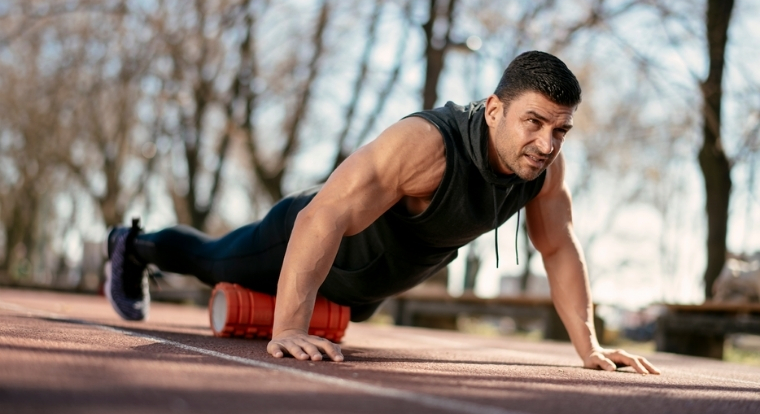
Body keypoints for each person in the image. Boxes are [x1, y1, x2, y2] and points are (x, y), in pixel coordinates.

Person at [105, 51, 660, 374]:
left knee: (348, 318)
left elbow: (559, 247)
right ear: (495, 109)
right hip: (304, 241)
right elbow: (320, 219)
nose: (546, 143)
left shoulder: (543, 171)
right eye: (534, 122)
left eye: (560, 129)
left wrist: (588, 346)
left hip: (358, 292)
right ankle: (135, 246)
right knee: (213, 258)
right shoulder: (425, 145)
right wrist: (290, 328)